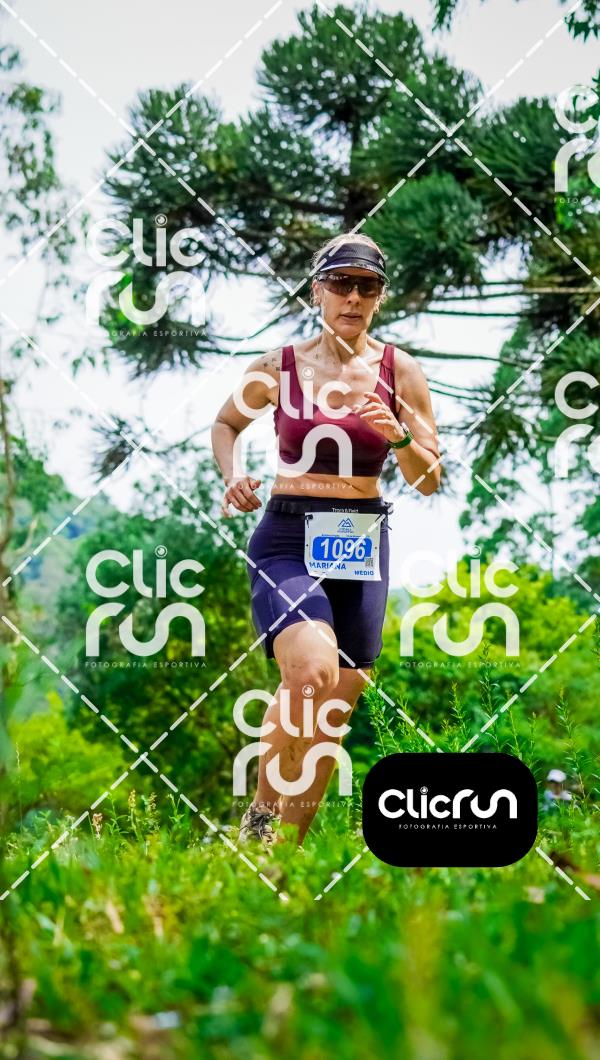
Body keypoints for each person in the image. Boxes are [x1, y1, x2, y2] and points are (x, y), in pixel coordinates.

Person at [211, 232, 441, 847]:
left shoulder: (401, 372)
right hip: (288, 532)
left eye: (367, 286)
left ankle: (285, 859)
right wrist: (232, 476)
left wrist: (398, 438)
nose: (353, 297)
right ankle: (259, 823)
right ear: (318, 290)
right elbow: (226, 423)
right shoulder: (277, 368)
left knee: (332, 709)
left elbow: (429, 478)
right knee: (310, 672)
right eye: (341, 283)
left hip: (360, 537)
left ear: (379, 297)